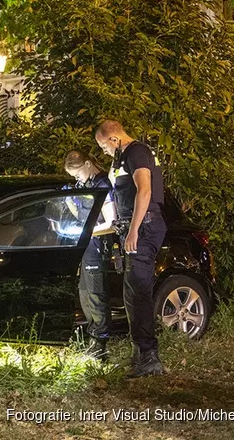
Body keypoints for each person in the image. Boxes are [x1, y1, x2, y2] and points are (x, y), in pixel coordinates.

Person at [95, 120, 167, 378]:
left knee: (139, 291)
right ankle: (140, 352)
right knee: (131, 293)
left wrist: (134, 229)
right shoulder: (124, 156)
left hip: (144, 227)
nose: (104, 152)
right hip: (135, 227)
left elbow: (144, 191)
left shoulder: (136, 152)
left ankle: (150, 357)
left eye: (103, 146)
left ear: (114, 139)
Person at [62, 150, 117, 361]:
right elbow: (81, 216)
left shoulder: (103, 186)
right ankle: (93, 340)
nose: (76, 179)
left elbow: (111, 223)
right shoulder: (84, 186)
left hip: (97, 246)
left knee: (96, 294)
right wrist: (70, 202)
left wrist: (88, 232)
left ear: (87, 164)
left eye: (76, 174)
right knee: (85, 294)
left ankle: (100, 345)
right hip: (86, 247)